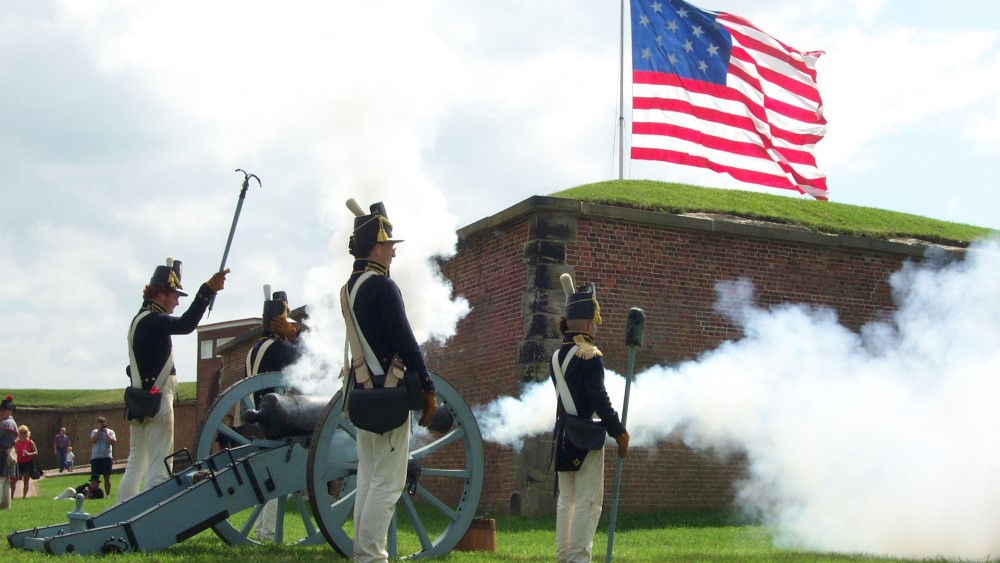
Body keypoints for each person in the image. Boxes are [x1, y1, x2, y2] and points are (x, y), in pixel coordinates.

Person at [342, 199, 437, 563]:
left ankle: (363, 554)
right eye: (390, 248)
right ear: (377, 247)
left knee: (368, 479)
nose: (394, 256)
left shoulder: (349, 288)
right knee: (389, 482)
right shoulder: (382, 286)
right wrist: (427, 385)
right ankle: (371, 557)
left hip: (364, 394)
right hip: (390, 394)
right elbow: (405, 341)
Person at [117, 257, 229, 505]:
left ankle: (121, 508)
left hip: (140, 400)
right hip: (157, 399)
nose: (178, 301)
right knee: (159, 463)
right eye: (175, 295)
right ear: (161, 295)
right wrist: (207, 290)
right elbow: (187, 325)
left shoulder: (140, 320)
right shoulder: (153, 321)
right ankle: (149, 515)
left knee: (136, 463)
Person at [550, 274, 629, 563]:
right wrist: (618, 430)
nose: (595, 326)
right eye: (593, 321)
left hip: (562, 435)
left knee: (566, 502)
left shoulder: (557, 355)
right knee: (588, 503)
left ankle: (564, 557)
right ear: (586, 324)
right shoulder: (590, 355)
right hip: (583, 437)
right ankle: (580, 559)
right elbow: (598, 398)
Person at [245, 286, 307, 542]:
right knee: (277, 478)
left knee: (268, 477)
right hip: (278, 419)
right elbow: (308, 363)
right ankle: (268, 532)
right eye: (287, 324)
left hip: (258, 418)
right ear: (280, 324)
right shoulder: (279, 349)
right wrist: (297, 338)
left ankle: (263, 529)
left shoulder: (255, 348)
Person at [90, 416, 117, 496]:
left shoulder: (110, 431)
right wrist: (99, 431)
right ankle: (94, 494)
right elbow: (93, 441)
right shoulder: (94, 431)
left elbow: (113, 442)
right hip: (96, 457)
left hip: (106, 457)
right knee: (95, 478)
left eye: (102, 423)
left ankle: (107, 495)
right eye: (99, 424)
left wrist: (106, 433)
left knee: (107, 477)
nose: (101, 425)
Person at [1, 395, 18, 509]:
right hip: (8, 453)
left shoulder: (5, 424)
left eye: (3, 410)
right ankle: (6, 505)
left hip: (2, 454)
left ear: (9, 411)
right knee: (6, 482)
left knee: (1, 481)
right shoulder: (12, 423)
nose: (1, 412)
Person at [13, 425, 39, 498]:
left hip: (28, 462)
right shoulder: (16, 442)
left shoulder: (30, 442)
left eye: (25, 432)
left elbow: (36, 452)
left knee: (26, 480)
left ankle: (24, 497)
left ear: (27, 433)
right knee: (14, 480)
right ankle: (11, 497)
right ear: (19, 433)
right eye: (21, 432)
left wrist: (29, 453)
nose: (23, 434)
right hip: (18, 463)